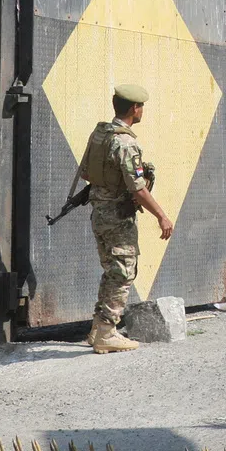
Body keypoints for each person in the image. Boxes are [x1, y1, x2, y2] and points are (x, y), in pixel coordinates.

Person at [79, 85, 174, 353]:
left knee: (112, 270)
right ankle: (107, 332)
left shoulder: (102, 134)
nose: (142, 110)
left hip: (100, 213)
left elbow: (87, 174)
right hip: (118, 218)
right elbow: (138, 189)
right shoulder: (126, 143)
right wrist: (162, 216)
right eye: (141, 106)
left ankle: (98, 328)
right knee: (123, 272)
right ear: (135, 109)